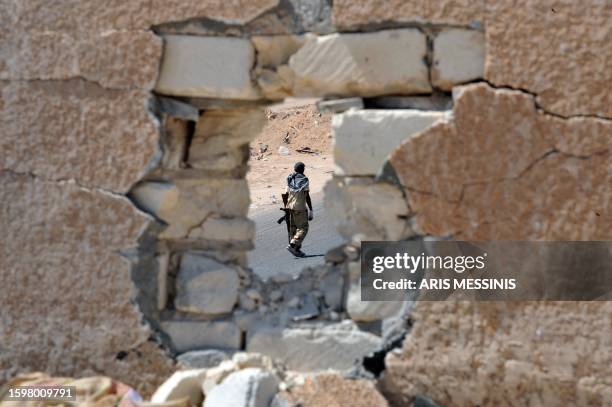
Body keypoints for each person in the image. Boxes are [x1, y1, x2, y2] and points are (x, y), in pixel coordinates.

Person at [282, 162, 313, 257]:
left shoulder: (290, 178)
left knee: (293, 229)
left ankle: (296, 250)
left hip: (290, 207)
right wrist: (311, 210)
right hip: (300, 207)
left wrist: (286, 206)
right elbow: (306, 195)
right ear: (303, 169)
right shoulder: (304, 179)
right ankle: (293, 245)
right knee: (303, 228)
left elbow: (284, 194)